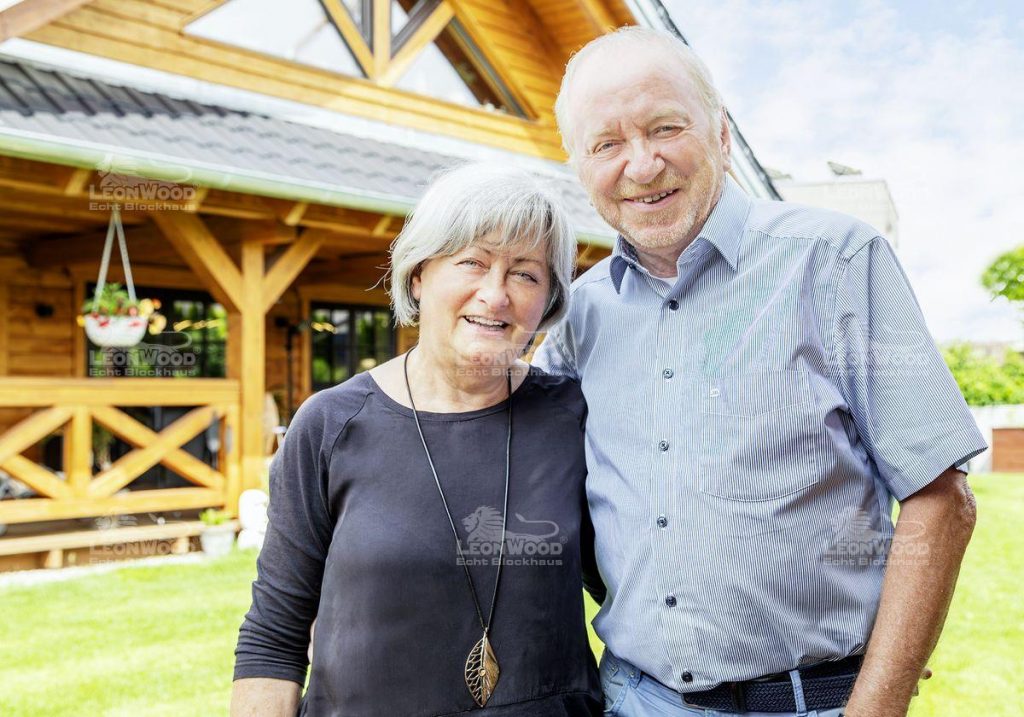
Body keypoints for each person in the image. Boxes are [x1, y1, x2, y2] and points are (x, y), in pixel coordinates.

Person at [533, 26, 987, 717]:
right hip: (633, 699)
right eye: (607, 144)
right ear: (579, 165)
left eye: (665, 127)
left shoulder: (834, 262)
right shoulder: (579, 316)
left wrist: (877, 705)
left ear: (720, 134)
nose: (643, 164)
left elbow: (941, 501)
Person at [232, 163, 603, 717]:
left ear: (548, 300)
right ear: (418, 276)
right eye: (472, 263)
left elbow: (636, 583)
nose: (495, 295)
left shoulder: (572, 417)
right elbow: (275, 634)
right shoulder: (330, 426)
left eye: (525, 274)